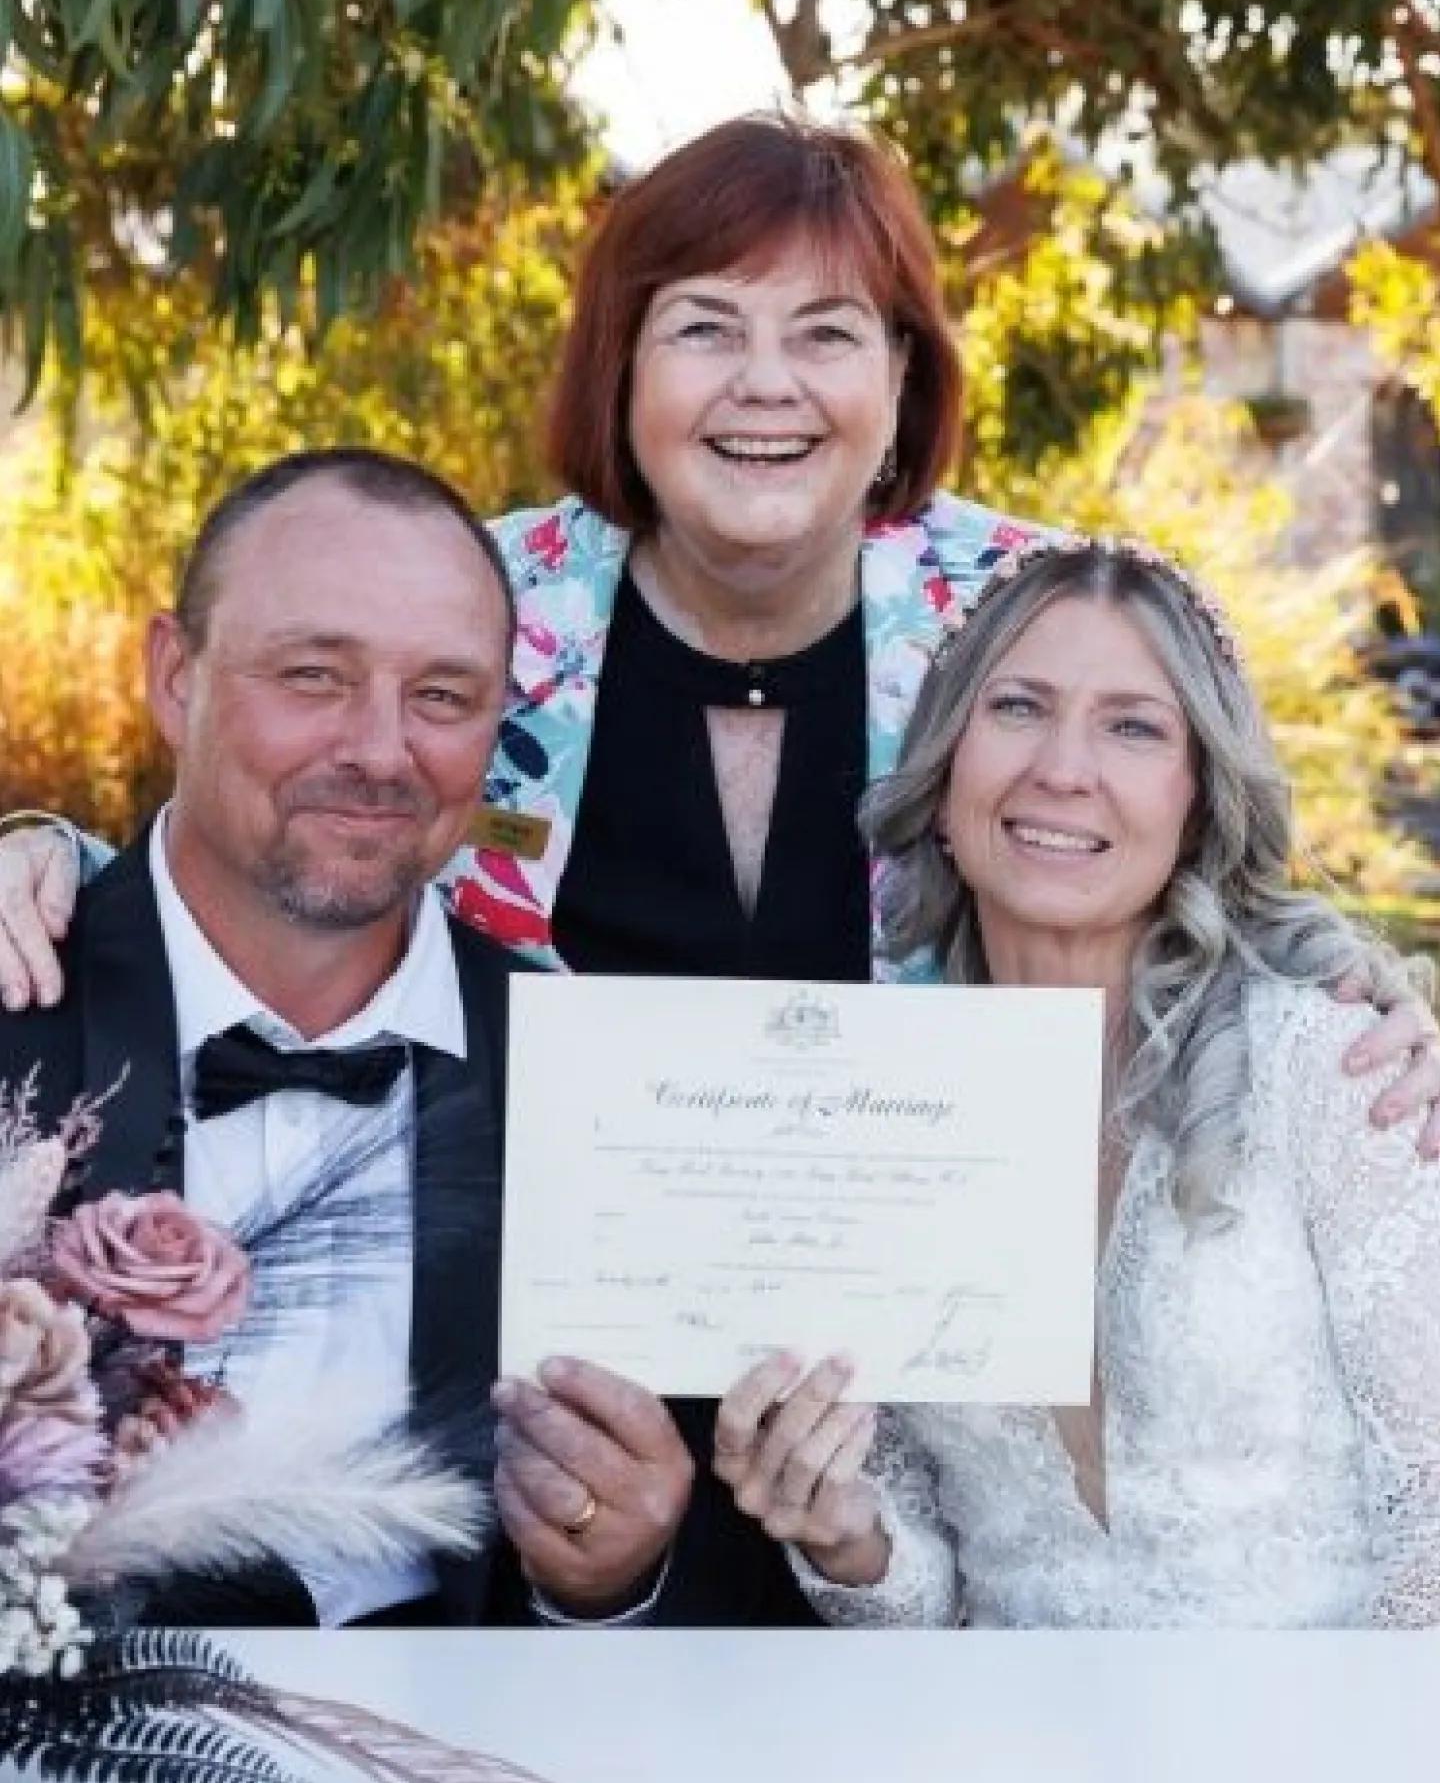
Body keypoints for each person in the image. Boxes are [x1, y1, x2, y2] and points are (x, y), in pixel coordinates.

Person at [1, 117, 1438, 1623]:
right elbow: (303, 795)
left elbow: (1174, 818)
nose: (767, 384)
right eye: (705, 329)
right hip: (553, 1443)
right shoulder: (493, 614)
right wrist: (53, 861)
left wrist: (1343, 980)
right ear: (622, 379)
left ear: (901, 386)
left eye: (826, 333)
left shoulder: (1007, 625)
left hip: (891, 1448)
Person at [0, 446, 702, 1628]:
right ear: (176, 676)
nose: (381, 752)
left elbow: (647, 1592)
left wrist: (606, 1581)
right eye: (315, 676)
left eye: (442, 696)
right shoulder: (17, 1021)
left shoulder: (590, 1091)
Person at [712, 534, 1440, 1627]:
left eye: (1133, 726)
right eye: (1017, 708)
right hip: (1016, 1771)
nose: (1063, 768)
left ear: (1199, 797)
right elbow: (925, 1605)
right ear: (947, 768)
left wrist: (1322, 1780)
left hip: (1333, 1764)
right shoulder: (876, 1116)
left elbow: (1431, 1522)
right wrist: (846, 1537)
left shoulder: (1335, 1069)